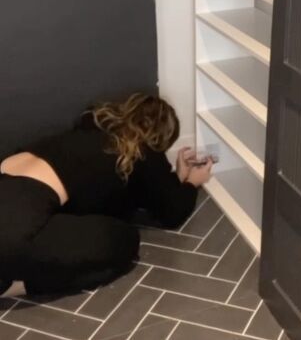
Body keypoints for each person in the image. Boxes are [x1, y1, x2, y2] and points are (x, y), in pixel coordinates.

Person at [0, 93, 213, 298]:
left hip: (13, 196)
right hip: (15, 226)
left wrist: (176, 177)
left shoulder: (88, 130)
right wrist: (192, 182)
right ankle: (16, 285)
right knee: (124, 241)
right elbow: (172, 212)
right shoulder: (143, 152)